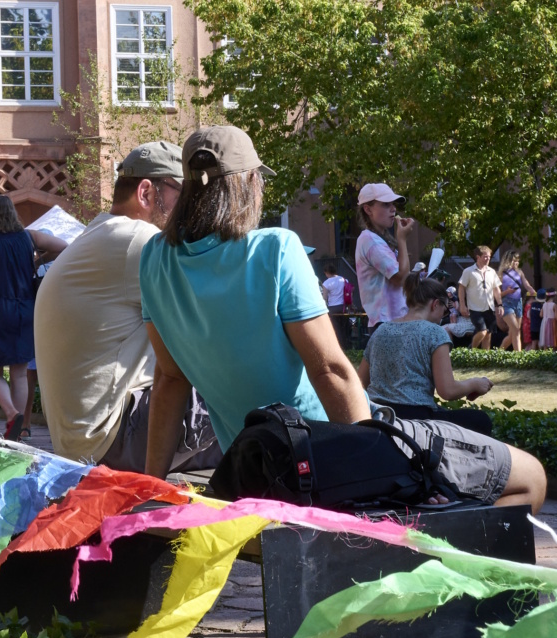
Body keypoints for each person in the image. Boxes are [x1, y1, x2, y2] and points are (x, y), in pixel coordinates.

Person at [139, 124, 545, 513]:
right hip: (326, 462)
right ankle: (444, 578)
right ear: (246, 184)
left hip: (257, 469)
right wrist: (383, 472)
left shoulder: (154, 260)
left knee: (466, 436)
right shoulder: (274, 249)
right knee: (532, 478)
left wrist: (150, 485)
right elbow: (330, 370)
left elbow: (170, 379)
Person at [34, 141, 221, 472]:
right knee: (258, 389)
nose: (193, 210)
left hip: (89, 441)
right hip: (116, 439)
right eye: (185, 196)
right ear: (147, 193)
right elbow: (222, 309)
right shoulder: (139, 239)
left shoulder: (100, 235)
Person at [0, 195, 66, 440]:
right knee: (20, 373)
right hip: (27, 308)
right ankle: (20, 430)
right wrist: (38, 260)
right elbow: (63, 246)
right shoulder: (29, 237)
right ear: (13, 212)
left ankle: (12, 414)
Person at [357, 273, 494, 435]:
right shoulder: (434, 333)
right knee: (481, 420)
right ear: (435, 304)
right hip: (416, 420)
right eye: (444, 312)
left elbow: (359, 383)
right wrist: (476, 384)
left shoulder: (381, 330)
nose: (442, 318)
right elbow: (447, 391)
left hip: (378, 416)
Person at [355, 183, 414, 330]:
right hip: (386, 323)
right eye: (386, 204)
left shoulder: (378, 239)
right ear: (368, 209)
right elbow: (401, 277)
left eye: (393, 204)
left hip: (392, 321)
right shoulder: (370, 240)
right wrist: (402, 239)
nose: (393, 209)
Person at [457, 245, 504, 350]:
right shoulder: (468, 271)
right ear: (478, 257)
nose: (488, 259)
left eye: (489, 256)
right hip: (475, 308)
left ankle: (484, 357)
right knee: (482, 331)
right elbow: (461, 288)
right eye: (485, 256)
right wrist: (462, 305)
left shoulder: (491, 272)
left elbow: (496, 289)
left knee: (488, 334)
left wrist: (500, 304)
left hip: (490, 307)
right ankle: (471, 350)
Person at [497, 251, 535, 351]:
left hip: (518, 303)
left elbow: (526, 284)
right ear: (508, 261)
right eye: (514, 261)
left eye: (517, 261)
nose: (516, 263)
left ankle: (498, 353)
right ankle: (518, 357)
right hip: (507, 303)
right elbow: (497, 294)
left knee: (512, 334)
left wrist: (530, 289)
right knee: (516, 330)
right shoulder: (502, 274)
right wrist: (507, 292)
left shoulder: (520, 272)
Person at [320, 264, 349, 349]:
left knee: (336, 328)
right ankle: (347, 345)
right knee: (344, 327)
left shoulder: (326, 283)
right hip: (344, 307)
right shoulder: (344, 280)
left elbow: (324, 298)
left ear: (326, 272)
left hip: (333, 308)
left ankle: (339, 347)